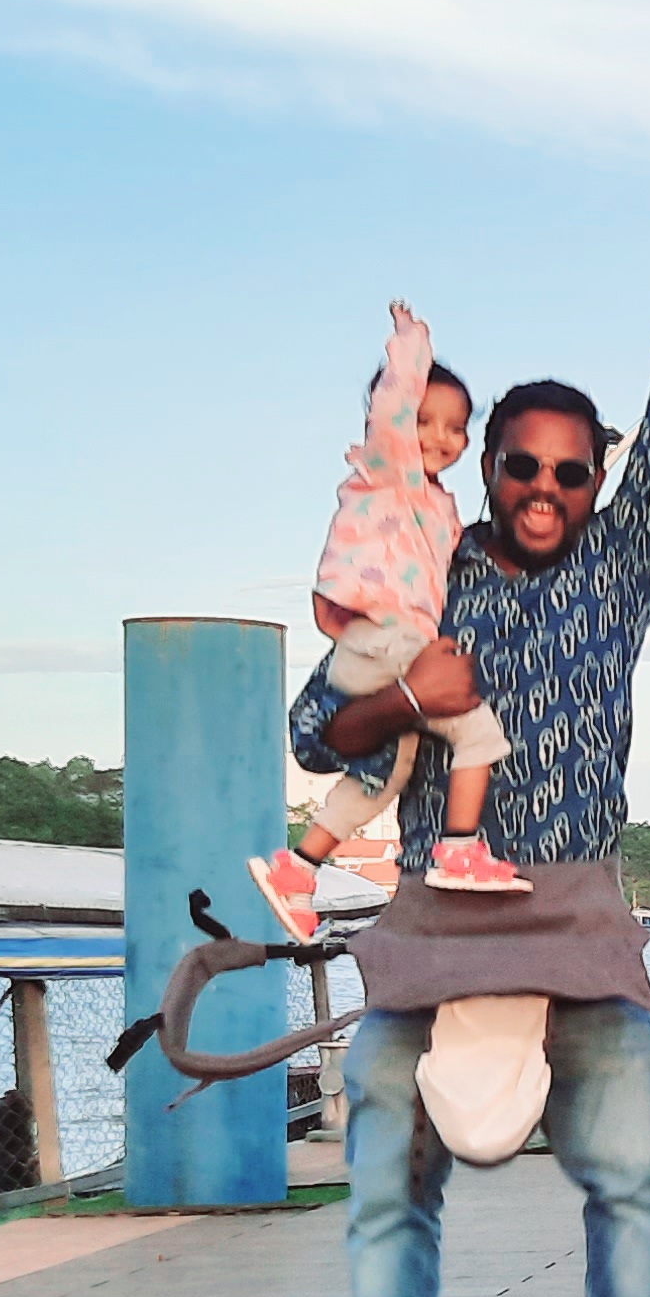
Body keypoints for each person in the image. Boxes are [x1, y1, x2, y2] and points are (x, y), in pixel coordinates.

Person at [286, 128, 650, 1297]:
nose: (544, 492)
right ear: (482, 468)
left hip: (576, 904)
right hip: (438, 909)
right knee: (383, 1174)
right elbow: (318, 731)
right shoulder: (422, 565)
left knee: (630, 1174)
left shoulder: (621, 569)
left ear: (594, 485)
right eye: (520, 470)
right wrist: (399, 701)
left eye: (568, 474)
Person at [252, 302, 548, 938]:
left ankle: (298, 867)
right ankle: (460, 849)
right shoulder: (392, 476)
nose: (441, 437)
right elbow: (392, 413)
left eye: (457, 428)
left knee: (386, 777)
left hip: (384, 642)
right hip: (386, 635)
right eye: (424, 421)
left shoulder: (437, 504)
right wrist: (410, 349)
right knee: (477, 737)